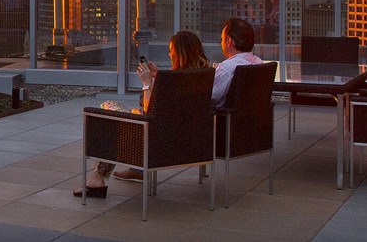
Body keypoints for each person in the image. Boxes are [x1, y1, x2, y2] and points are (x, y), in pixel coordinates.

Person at [74, 30, 210, 198]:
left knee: (109, 110)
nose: (169, 54)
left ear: (178, 53)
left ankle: (97, 179)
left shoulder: (173, 80)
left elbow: (149, 112)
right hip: (187, 141)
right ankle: (108, 176)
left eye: (170, 51)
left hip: (155, 142)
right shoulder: (204, 76)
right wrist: (158, 76)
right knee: (127, 114)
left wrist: (147, 83)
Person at [212, 17, 263, 108]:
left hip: (225, 119)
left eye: (222, 39)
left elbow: (211, 96)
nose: (221, 44)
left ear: (229, 41)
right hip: (251, 119)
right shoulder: (259, 63)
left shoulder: (228, 68)